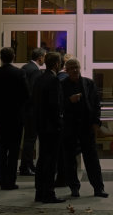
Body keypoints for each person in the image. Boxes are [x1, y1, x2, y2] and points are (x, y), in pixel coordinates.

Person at [56, 56, 109, 198]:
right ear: (66, 70)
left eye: (76, 67)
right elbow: (58, 106)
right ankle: (74, 188)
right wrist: (69, 100)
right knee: (70, 159)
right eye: (71, 68)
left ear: (80, 68)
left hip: (86, 126)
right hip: (70, 127)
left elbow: (96, 104)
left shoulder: (89, 84)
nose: (75, 70)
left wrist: (96, 122)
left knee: (92, 158)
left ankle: (98, 188)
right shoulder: (62, 85)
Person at [0, 46, 28, 190]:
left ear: (1, 58)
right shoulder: (20, 73)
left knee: (1, 150)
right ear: (13, 57)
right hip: (16, 118)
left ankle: (2, 181)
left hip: (0, 118)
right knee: (14, 150)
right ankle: (10, 181)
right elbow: (25, 95)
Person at [31, 51, 65, 204]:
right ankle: (49, 193)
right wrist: (59, 124)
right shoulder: (53, 81)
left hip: (41, 126)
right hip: (51, 128)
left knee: (42, 160)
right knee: (51, 162)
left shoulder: (39, 79)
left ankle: (40, 192)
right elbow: (55, 106)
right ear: (57, 64)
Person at [20, 46, 44, 176]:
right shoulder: (35, 70)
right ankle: (26, 166)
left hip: (24, 109)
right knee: (30, 139)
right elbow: (33, 91)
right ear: (40, 58)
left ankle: (28, 165)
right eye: (44, 57)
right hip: (31, 110)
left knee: (28, 138)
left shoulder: (25, 67)